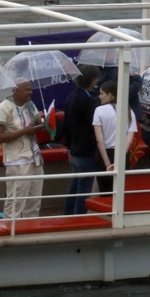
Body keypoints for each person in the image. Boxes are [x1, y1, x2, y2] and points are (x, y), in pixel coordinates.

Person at [0, 80, 45, 219]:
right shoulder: (3, 108)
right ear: (15, 90)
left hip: (35, 158)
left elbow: (38, 125)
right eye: (27, 89)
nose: (31, 92)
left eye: (31, 89)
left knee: (34, 201)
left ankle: (30, 231)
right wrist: (23, 131)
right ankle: (9, 231)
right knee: (15, 201)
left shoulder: (31, 105)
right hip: (17, 161)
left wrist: (45, 123)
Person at [63, 64, 99, 215]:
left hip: (75, 149)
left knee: (74, 185)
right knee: (84, 187)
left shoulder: (71, 96)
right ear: (91, 80)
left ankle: (68, 213)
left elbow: (66, 125)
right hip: (86, 150)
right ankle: (79, 216)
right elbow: (94, 125)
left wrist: (69, 147)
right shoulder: (88, 101)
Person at [92, 80, 138, 195]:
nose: (99, 96)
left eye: (102, 93)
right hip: (123, 154)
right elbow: (130, 137)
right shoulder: (128, 111)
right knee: (120, 192)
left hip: (104, 155)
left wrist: (108, 164)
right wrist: (120, 158)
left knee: (105, 193)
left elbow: (99, 140)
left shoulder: (99, 111)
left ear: (110, 95)